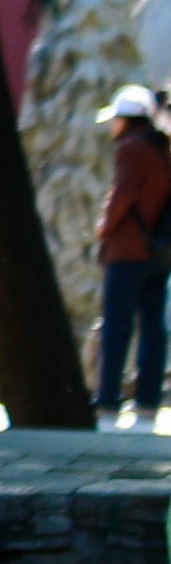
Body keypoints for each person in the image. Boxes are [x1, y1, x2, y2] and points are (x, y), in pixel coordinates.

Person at [98, 86, 171, 422]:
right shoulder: (163, 148)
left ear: (126, 120)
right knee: (153, 329)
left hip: (128, 251)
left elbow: (122, 195)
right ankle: (147, 402)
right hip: (159, 253)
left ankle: (108, 401)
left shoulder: (131, 149)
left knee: (116, 327)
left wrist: (103, 228)